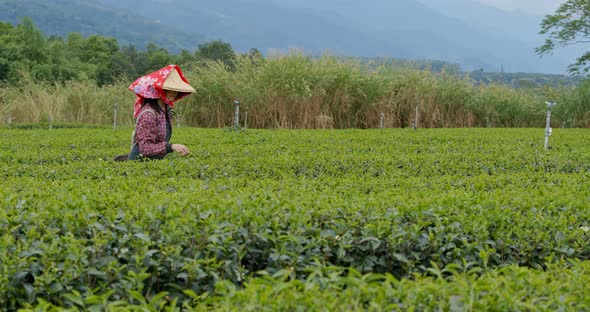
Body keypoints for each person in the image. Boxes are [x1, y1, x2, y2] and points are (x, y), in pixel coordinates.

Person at [126, 64, 195, 161]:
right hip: (139, 162)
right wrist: (172, 147)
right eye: (171, 89)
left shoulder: (166, 110)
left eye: (176, 90)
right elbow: (145, 148)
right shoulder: (148, 114)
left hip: (154, 161)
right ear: (161, 90)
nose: (175, 93)